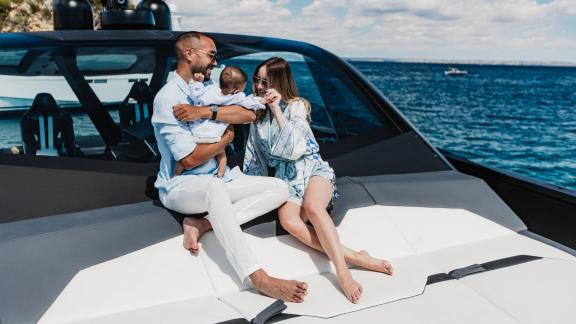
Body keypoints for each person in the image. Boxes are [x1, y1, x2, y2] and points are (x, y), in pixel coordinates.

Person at [152, 32, 307, 303]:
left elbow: (247, 114)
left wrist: (205, 112)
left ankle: (202, 223)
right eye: (211, 55)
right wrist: (226, 138)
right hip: (179, 186)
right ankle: (257, 277)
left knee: (280, 188)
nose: (215, 62)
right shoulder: (168, 99)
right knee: (213, 187)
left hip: (217, 178)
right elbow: (189, 159)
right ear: (190, 54)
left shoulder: (208, 87)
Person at [243, 57, 394, 304]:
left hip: (313, 169)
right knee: (289, 221)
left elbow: (296, 148)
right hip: (287, 179)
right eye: (257, 80)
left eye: (265, 81)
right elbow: (255, 157)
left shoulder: (296, 107)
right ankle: (356, 256)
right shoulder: (256, 119)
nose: (259, 86)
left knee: (313, 207)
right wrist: (252, 189)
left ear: (278, 82)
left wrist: (276, 109)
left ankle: (343, 274)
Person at [174, 65, 269, 179]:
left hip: (197, 133)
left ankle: (175, 175)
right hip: (214, 137)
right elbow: (250, 103)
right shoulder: (236, 97)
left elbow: (196, 94)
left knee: (182, 160)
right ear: (237, 90)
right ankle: (220, 174)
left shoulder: (210, 90)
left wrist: (197, 82)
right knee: (222, 155)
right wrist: (263, 101)